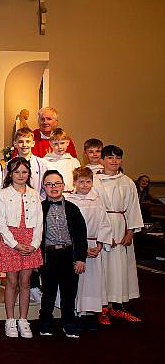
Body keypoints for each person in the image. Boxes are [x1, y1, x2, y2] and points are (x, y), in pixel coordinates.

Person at [92, 145, 144, 323]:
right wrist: (102, 235)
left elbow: (133, 208)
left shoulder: (127, 182)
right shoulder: (94, 181)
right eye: (110, 157)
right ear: (102, 160)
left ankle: (118, 306)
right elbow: (92, 208)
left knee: (120, 268)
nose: (114, 161)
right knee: (103, 268)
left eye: (117, 158)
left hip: (121, 227)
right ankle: (103, 308)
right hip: (102, 227)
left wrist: (130, 232)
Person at [0, 157, 44, 338]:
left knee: (25, 282)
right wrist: (14, 244)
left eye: (24, 172)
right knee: (12, 282)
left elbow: (39, 221)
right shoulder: (3, 194)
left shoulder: (34, 194)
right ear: (11, 174)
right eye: (16, 172)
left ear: (29, 173)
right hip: (11, 241)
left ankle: (23, 319)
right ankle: (10, 320)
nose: (20, 175)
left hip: (30, 240)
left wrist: (34, 244)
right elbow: (0, 222)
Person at [38, 170, 88, 338]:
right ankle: (44, 322)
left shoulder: (73, 209)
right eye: (49, 184)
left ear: (63, 186)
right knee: (49, 292)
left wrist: (80, 258)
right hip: (49, 256)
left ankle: (69, 323)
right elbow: (36, 236)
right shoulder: (40, 208)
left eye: (57, 184)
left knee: (69, 292)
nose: (54, 187)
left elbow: (81, 235)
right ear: (44, 187)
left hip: (69, 255)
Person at [65, 167, 112, 331]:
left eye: (88, 182)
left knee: (93, 282)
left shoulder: (97, 200)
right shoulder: (69, 200)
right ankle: (76, 315)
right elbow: (67, 226)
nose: (85, 185)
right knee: (77, 283)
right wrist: (81, 248)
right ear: (74, 182)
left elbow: (105, 224)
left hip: (94, 246)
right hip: (77, 247)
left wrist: (100, 244)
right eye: (81, 182)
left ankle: (90, 315)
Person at [13, 127, 48, 199]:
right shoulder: (9, 164)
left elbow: (45, 187)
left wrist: (39, 201)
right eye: (20, 142)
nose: (24, 145)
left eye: (28, 141)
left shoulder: (41, 164)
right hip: (15, 202)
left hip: (36, 202)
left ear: (33, 143)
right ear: (15, 144)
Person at [44, 128, 81, 193]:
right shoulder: (45, 161)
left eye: (62, 143)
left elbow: (78, 180)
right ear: (50, 144)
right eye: (56, 144)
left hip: (72, 196)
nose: (60, 146)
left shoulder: (74, 162)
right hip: (52, 195)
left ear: (68, 142)